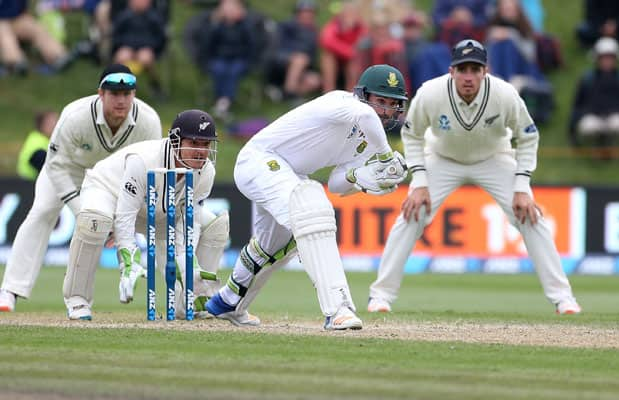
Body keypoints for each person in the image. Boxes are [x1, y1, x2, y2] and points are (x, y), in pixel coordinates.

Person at [367, 40, 581, 315]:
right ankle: (381, 297)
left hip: (494, 157)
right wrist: (419, 182)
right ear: (452, 71)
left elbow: (528, 136)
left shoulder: (504, 94)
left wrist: (522, 186)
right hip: (442, 157)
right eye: (462, 69)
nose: (468, 77)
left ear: (485, 71)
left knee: (530, 217)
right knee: (411, 214)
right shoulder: (431, 93)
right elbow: (412, 134)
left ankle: (563, 298)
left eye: (475, 69)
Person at [205, 64, 409, 330]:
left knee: (274, 246)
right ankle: (339, 309)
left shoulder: (369, 139)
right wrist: (385, 157)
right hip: (258, 160)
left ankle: (228, 301)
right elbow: (366, 117)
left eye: (392, 104)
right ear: (363, 95)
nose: (385, 110)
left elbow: (337, 183)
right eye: (380, 101)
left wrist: (362, 177)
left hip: (290, 173)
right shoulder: (340, 102)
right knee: (313, 214)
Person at [0, 64, 162, 313]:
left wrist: (121, 221)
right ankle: (10, 290)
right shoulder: (76, 116)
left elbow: (147, 172)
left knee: (111, 225)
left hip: (112, 177)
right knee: (42, 210)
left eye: (127, 94)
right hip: (69, 169)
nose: (121, 100)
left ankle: (90, 295)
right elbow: (55, 166)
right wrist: (81, 212)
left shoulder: (148, 121)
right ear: (101, 93)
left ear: (134, 95)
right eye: (114, 94)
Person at [62, 110, 223, 320]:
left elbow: (186, 223)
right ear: (175, 141)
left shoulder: (206, 172)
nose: (201, 151)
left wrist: (188, 267)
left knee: (216, 225)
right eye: (193, 143)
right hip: (108, 191)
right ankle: (77, 301)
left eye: (205, 144)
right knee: (95, 221)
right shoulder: (143, 161)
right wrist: (128, 262)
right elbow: (125, 215)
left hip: (159, 209)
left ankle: (192, 299)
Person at [569, 37, 619, 154]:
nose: (607, 61)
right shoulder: (587, 79)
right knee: (588, 127)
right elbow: (577, 105)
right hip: (593, 116)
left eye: (610, 57)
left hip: (616, 117)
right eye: (604, 57)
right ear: (597, 59)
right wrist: (572, 131)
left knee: (618, 125)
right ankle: (596, 145)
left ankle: (613, 146)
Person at [0, 0, 72, 75]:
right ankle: (15, 63)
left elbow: (22, 7)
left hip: (17, 18)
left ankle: (58, 55)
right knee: (5, 36)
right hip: (2, 22)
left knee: (37, 29)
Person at [16, 111, 58, 181]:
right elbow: (52, 169)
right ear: (43, 125)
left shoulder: (46, 140)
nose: (57, 126)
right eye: (53, 123)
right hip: (29, 185)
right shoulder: (37, 143)